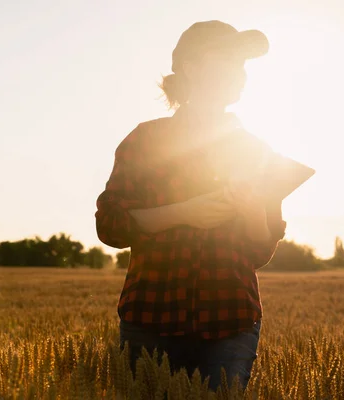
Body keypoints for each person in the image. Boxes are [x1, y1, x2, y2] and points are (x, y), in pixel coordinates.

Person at [95, 20, 287, 393]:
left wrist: (250, 210)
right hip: (150, 319)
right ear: (192, 67)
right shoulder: (145, 141)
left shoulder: (257, 150)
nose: (240, 73)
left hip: (230, 321)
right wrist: (184, 213)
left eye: (243, 64)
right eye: (228, 60)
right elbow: (110, 226)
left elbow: (258, 252)